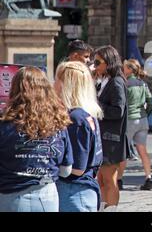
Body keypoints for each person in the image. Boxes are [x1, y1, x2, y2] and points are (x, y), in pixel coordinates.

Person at [0, 67, 73, 212]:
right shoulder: (58, 124)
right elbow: (66, 170)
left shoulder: (4, 124)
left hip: (11, 196)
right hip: (47, 196)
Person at [54, 61, 104, 212]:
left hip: (74, 192)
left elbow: (77, 168)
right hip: (82, 190)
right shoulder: (87, 114)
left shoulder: (75, 118)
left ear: (65, 85)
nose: (54, 84)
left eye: (57, 79)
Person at [94, 45, 129, 210]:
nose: (95, 66)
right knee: (101, 179)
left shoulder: (116, 82)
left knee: (109, 179)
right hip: (104, 137)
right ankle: (103, 207)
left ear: (108, 62)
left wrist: (97, 106)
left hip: (111, 139)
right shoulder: (104, 80)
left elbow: (118, 110)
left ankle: (111, 208)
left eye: (98, 62)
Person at [118, 58, 152, 191]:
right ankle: (149, 178)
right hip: (142, 119)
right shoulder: (143, 84)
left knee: (123, 152)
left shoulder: (125, 83)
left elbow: (122, 103)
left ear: (129, 70)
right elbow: (150, 102)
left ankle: (119, 179)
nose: (122, 69)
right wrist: (145, 113)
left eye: (124, 68)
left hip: (129, 120)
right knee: (143, 151)